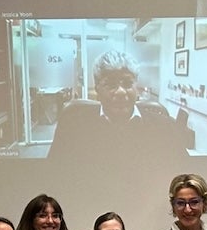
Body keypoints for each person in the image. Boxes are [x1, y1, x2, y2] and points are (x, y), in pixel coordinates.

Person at [47, 50, 193, 169]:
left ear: (137, 87)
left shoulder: (165, 127)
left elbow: (183, 175)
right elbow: (54, 174)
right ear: (97, 88)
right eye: (111, 84)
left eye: (128, 83)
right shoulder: (73, 127)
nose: (121, 92)